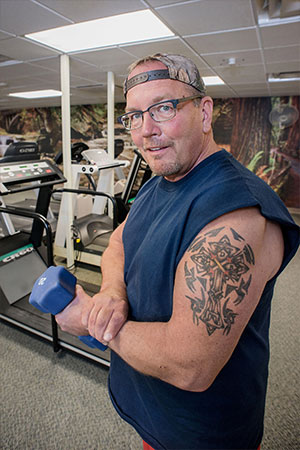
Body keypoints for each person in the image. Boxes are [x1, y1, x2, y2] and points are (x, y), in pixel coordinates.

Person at [55, 53, 300, 450]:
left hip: (201, 433)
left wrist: (90, 320)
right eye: (134, 116)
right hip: (152, 410)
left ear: (205, 113)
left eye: (163, 108)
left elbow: (191, 366)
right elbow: (120, 239)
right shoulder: (160, 180)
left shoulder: (237, 217)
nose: (145, 131)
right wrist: (113, 291)